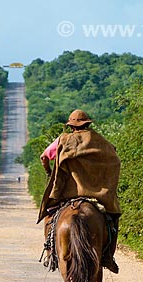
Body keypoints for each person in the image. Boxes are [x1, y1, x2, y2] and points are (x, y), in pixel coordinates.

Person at [38, 109, 121, 273]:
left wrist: (49, 172)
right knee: (113, 219)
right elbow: (114, 158)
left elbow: (44, 157)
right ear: (88, 124)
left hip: (68, 193)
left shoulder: (63, 139)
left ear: (71, 126)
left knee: (49, 215)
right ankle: (108, 257)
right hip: (97, 195)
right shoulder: (100, 141)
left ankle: (50, 253)